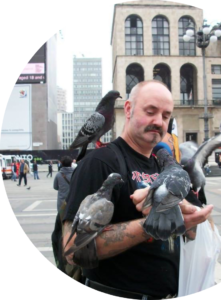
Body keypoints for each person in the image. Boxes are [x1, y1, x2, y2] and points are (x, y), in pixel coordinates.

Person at [62, 80, 213, 298]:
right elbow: (72, 249)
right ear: (128, 109)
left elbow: (201, 222)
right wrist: (153, 222)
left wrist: (182, 208)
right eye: (150, 111)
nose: (158, 122)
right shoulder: (100, 163)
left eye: (166, 115)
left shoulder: (170, 167)